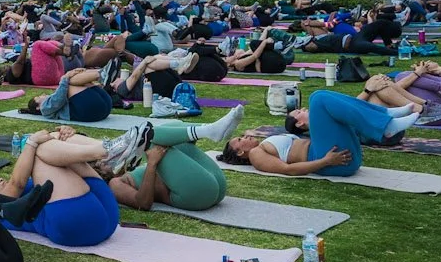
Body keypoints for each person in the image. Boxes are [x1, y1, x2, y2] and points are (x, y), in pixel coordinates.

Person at [0, 128, 119, 248]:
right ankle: (106, 151)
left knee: (54, 137)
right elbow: (17, 184)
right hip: (78, 222)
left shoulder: (37, 180)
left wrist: (63, 136)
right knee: (40, 146)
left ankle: (114, 147)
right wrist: (31, 143)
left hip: (103, 210)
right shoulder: (1, 209)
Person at [220, 91, 418, 177]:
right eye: (240, 140)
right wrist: (326, 161)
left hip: (340, 157)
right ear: (239, 153)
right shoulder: (256, 155)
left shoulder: (265, 144)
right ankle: (385, 125)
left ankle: (384, 115)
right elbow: (288, 170)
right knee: (318, 100)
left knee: (321, 99)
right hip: (331, 162)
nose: (244, 137)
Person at [100, 110, 245, 213]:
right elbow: (143, 204)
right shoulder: (115, 184)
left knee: (171, 126)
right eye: (101, 163)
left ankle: (209, 129)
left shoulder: (129, 169)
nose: (105, 159)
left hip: (215, 182)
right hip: (195, 194)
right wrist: (151, 164)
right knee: (148, 139)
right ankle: (208, 131)